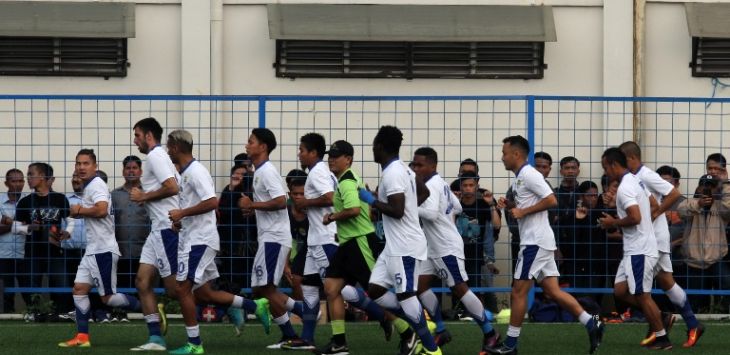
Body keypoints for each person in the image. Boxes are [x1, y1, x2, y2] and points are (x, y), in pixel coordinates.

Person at [488, 135, 603, 355]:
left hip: (535, 243)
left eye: (504, 153)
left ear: (516, 154)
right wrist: (511, 205)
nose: (502, 157)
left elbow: (551, 200)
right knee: (553, 291)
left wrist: (522, 211)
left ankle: (510, 345)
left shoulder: (530, 174)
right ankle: (591, 322)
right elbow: (530, 206)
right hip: (540, 241)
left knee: (518, 292)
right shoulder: (520, 178)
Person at [164, 130, 268, 354]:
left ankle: (195, 344)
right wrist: (182, 221)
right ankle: (254, 305)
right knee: (204, 294)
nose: (167, 150)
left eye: (168, 146)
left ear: (176, 148)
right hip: (192, 238)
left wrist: (182, 213)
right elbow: (198, 206)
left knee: (182, 289)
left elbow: (212, 202)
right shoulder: (185, 173)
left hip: (200, 241)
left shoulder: (196, 172)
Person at [358, 125, 442, 355]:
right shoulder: (404, 170)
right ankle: (416, 325)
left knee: (406, 295)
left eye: (374, 145)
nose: (372, 149)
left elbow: (396, 210)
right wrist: (403, 210)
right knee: (374, 290)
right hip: (394, 246)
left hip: (404, 245)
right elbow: (423, 194)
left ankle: (432, 349)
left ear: (381, 147)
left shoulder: (394, 173)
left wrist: (372, 200)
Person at [410, 147, 500, 354]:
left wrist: (407, 207)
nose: (415, 168)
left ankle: (490, 334)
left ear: (432, 166)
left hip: (445, 247)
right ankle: (441, 330)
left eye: (419, 165)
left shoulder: (432, 185)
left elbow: (431, 214)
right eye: (414, 164)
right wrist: (448, 218)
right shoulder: (440, 183)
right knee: (420, 287)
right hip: (433, 247)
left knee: (460, 289)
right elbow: (458, 207)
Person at [316, 140, 401, 355]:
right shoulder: (345, 180)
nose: (332, 159)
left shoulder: (346, 181)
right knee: (331, 289)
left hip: (360, 242)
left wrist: (332, 217)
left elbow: (354, 210)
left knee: (376, 291)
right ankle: (339, 342)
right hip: (348, 243)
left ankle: (408, 328)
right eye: (330, 155)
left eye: (337, 155)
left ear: (349, 159)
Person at [619, 141, 702, 347]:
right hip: (644, 239)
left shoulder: (645, 174)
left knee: (647, 286)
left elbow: (673, 193)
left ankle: (670, 326)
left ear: (631, 158)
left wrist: (657, 211)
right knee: (632, 289)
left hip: (653, 239)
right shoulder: (632, 178)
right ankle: (680, 322)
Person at [58, 149, 142, 348]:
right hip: (93, 250)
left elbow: (102, 210)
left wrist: (79, 210)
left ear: (95, 166)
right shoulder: (89, 186)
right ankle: (82, 337)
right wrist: (81, 212)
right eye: (78, 163)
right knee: (79, 289)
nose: (81, 167)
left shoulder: (96, 185)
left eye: (86, 163)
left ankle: (150, 309)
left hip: (103, 250)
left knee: (108, 298)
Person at [238, 128, 305, 348]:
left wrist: (252, 205)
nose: (247, 145)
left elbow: (279, 200)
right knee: (261, 289)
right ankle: (289, 335)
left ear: (263, 147)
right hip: (270, 237)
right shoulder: (259, 172)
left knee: (265, 289)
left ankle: (306, 312)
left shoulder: (266, 171)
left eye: (251, 141)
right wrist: (253, 210)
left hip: (274, 238)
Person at [597, 147, 670, 350]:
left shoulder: (625, 187)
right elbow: (653, 205)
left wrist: (613, 222)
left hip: (639, 250)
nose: (605, 172)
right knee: (620, 291)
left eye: (605, 167)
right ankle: (659, 315)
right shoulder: (635, 181)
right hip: (635, 248)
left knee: (641, 295)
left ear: (613, 164)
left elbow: (635, 217)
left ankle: (662, 338)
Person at [129, 117, 182, 351]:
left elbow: (172, 186)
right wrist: (148, 198)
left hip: (165, 229)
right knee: (142, 282)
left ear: (149, 136)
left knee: (174, 289)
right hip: (157, 229)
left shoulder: (155, 156)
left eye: (137, 135)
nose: (135, 141)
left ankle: (230, 305)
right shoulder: (159, 157)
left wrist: (144, 197)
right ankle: (155, 338)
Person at [14, 162, 71, 316]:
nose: (28, 178)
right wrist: (29, 228)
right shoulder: (25, 202)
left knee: (62, 285)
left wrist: (67, 232)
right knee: (30, 286)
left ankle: (59, 314)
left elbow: (71, 220)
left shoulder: (60, 199)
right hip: (32, 253)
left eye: (31, 174)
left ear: (43, 177)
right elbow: (15, 228)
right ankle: (35, 313)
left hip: (55, 252)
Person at [678, 154, 730, 321]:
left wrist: (726, 183)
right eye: (704, 185)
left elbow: (728, 208)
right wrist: (699, 203)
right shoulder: (692, 204)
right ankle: (693, 322)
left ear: (717, 188)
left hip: (716, 258)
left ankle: (724, 316)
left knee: (726, 289)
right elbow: (681, 209)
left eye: (711, 186)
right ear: (699, 188)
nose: (707, 189)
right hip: (694, 260)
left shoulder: (721, 206)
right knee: (694, 300)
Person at [111, 155, 150, 322]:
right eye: (128, 168)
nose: (131, 171)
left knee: (143, 282)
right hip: (120, 248)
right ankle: (120, 313)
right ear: (123, 171)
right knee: (122, 281)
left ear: (140, 171)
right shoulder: (114, 195)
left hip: (144, 249)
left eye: (135, 168)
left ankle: (147, 312)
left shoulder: (148, 194)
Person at [457, 171, 501, 313]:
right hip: (457, 253)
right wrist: (454, 203)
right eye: (465, 185)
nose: (468, 188)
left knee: (475, 288)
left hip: (476, 254)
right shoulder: (455, 204)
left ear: (477, 187)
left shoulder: (483, 205)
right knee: (457, 288)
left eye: (471, 185)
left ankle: (474, 314)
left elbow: (496, 225)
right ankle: (459, 313)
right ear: (461, 187)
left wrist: (491, 204)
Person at [217, 156, 257, 290]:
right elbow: (224, 212)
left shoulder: (251, 192)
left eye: (242, 175)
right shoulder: (227, 191)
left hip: (247, 245)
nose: (238, 177)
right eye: (236, 174)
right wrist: (232, 190)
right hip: (229, 243)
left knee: (247, 277)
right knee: (229, 276)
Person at [0, 169, 26, 313]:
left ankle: (36, 314)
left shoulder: (29, 200)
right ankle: (8, 316)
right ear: (6, 183)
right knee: (7, 291)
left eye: (21, 180)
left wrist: (8, 222)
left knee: (28, 288)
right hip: (3, 254)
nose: (18, 184)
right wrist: (20, 224)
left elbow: (34, 228)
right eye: (14, 181)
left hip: (25, 253)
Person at [285, 169, 308, 303]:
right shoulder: (286, 213)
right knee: (296, 280)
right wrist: (285, 264)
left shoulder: (313, 214)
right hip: (297, 253)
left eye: (302, 194)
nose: (298, 197)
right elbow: (285, 239)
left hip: (316, 251)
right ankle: (302, 310)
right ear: (290, 194)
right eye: (295, 194)